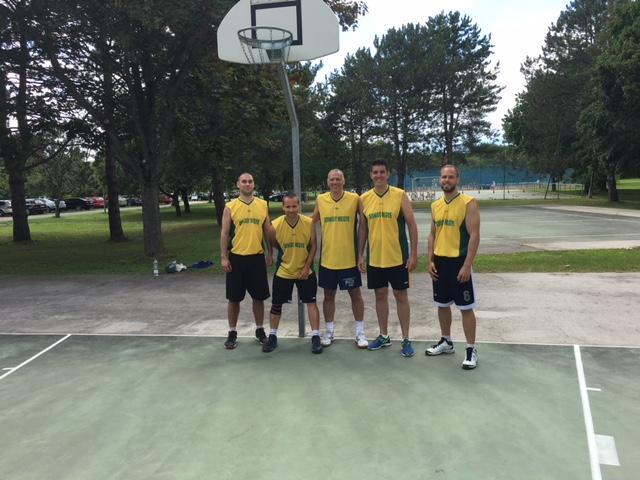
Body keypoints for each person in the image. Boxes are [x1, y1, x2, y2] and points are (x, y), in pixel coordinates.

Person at [358, 160, 418, 357]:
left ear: (388, 174)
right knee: (380, 295)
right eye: (375, 172)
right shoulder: (364, 198)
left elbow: (411, 224)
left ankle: (406, 339)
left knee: (401, 296)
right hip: (376, 259)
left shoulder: (399, 195)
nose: (378, 175)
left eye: (382, 172)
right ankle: (383, 336)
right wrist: (361, 254)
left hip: (397, 258)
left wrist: (414, 254)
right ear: (371, 175)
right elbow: (364, 228)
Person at [426, 164, 481, 370]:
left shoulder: (469, 203)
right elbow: (432, 234)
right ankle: (446, 341)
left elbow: (474, 236)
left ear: (457, 179)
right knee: (442, 305)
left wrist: (467, 265)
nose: (446, 180)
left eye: (450, 177)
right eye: (443, 177)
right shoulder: (435, 205)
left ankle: (471, 349)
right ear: (440, 180)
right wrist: (430, 260)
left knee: (466, 308)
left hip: (459, 262)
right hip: (440, 262)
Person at [312, 169, 368, 349]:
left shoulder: (354, 199)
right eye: (332, 180)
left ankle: (360, 333)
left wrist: (361, 254)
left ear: (344, 181)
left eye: (338, 179)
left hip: (349, 260)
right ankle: (329, 331)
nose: (335, 182)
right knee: (328, 296)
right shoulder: (321, 200)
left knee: (356, 295)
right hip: (327, 259)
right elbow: (310, 223)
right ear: (328, 182)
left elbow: (364, 225)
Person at [262, 192, 323, 354]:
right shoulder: (274, 226)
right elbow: (273, 243)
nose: (291, 209)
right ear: (283, 207)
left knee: (311, 303)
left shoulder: (309, 223)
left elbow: (314, 246)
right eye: (287, 206)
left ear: (299, 206)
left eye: (294, 206)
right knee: (276, 304)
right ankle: (273, 336)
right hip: (284, 270)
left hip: (305, 271)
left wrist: (306, 267)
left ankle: (316, 336)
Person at [220, 172, 273, 349]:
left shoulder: (262, 204)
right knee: (234, 299)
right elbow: (225, 233)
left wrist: (270, 252)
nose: (247, 184)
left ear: (254, 184)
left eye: (250, 181)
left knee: (259, 298)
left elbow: (267, 231)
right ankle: (232, 332)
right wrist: (223, 257)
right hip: (237, 259)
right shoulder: (230, 206)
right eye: (244, 181)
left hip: (256, 258)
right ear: (238, 184)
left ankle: (259, 330)